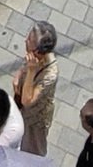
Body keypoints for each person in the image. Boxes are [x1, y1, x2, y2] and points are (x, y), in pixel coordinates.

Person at [13, 21, 59, 156]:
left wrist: (32, 71)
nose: (25, 41)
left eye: (29, 41)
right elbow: (24, 65)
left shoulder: (50, 74)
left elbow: (28, 100)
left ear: (38, 51)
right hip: (21, 109)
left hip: (36, 117)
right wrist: (20, 74)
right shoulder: (31, 56)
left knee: (34, 148)